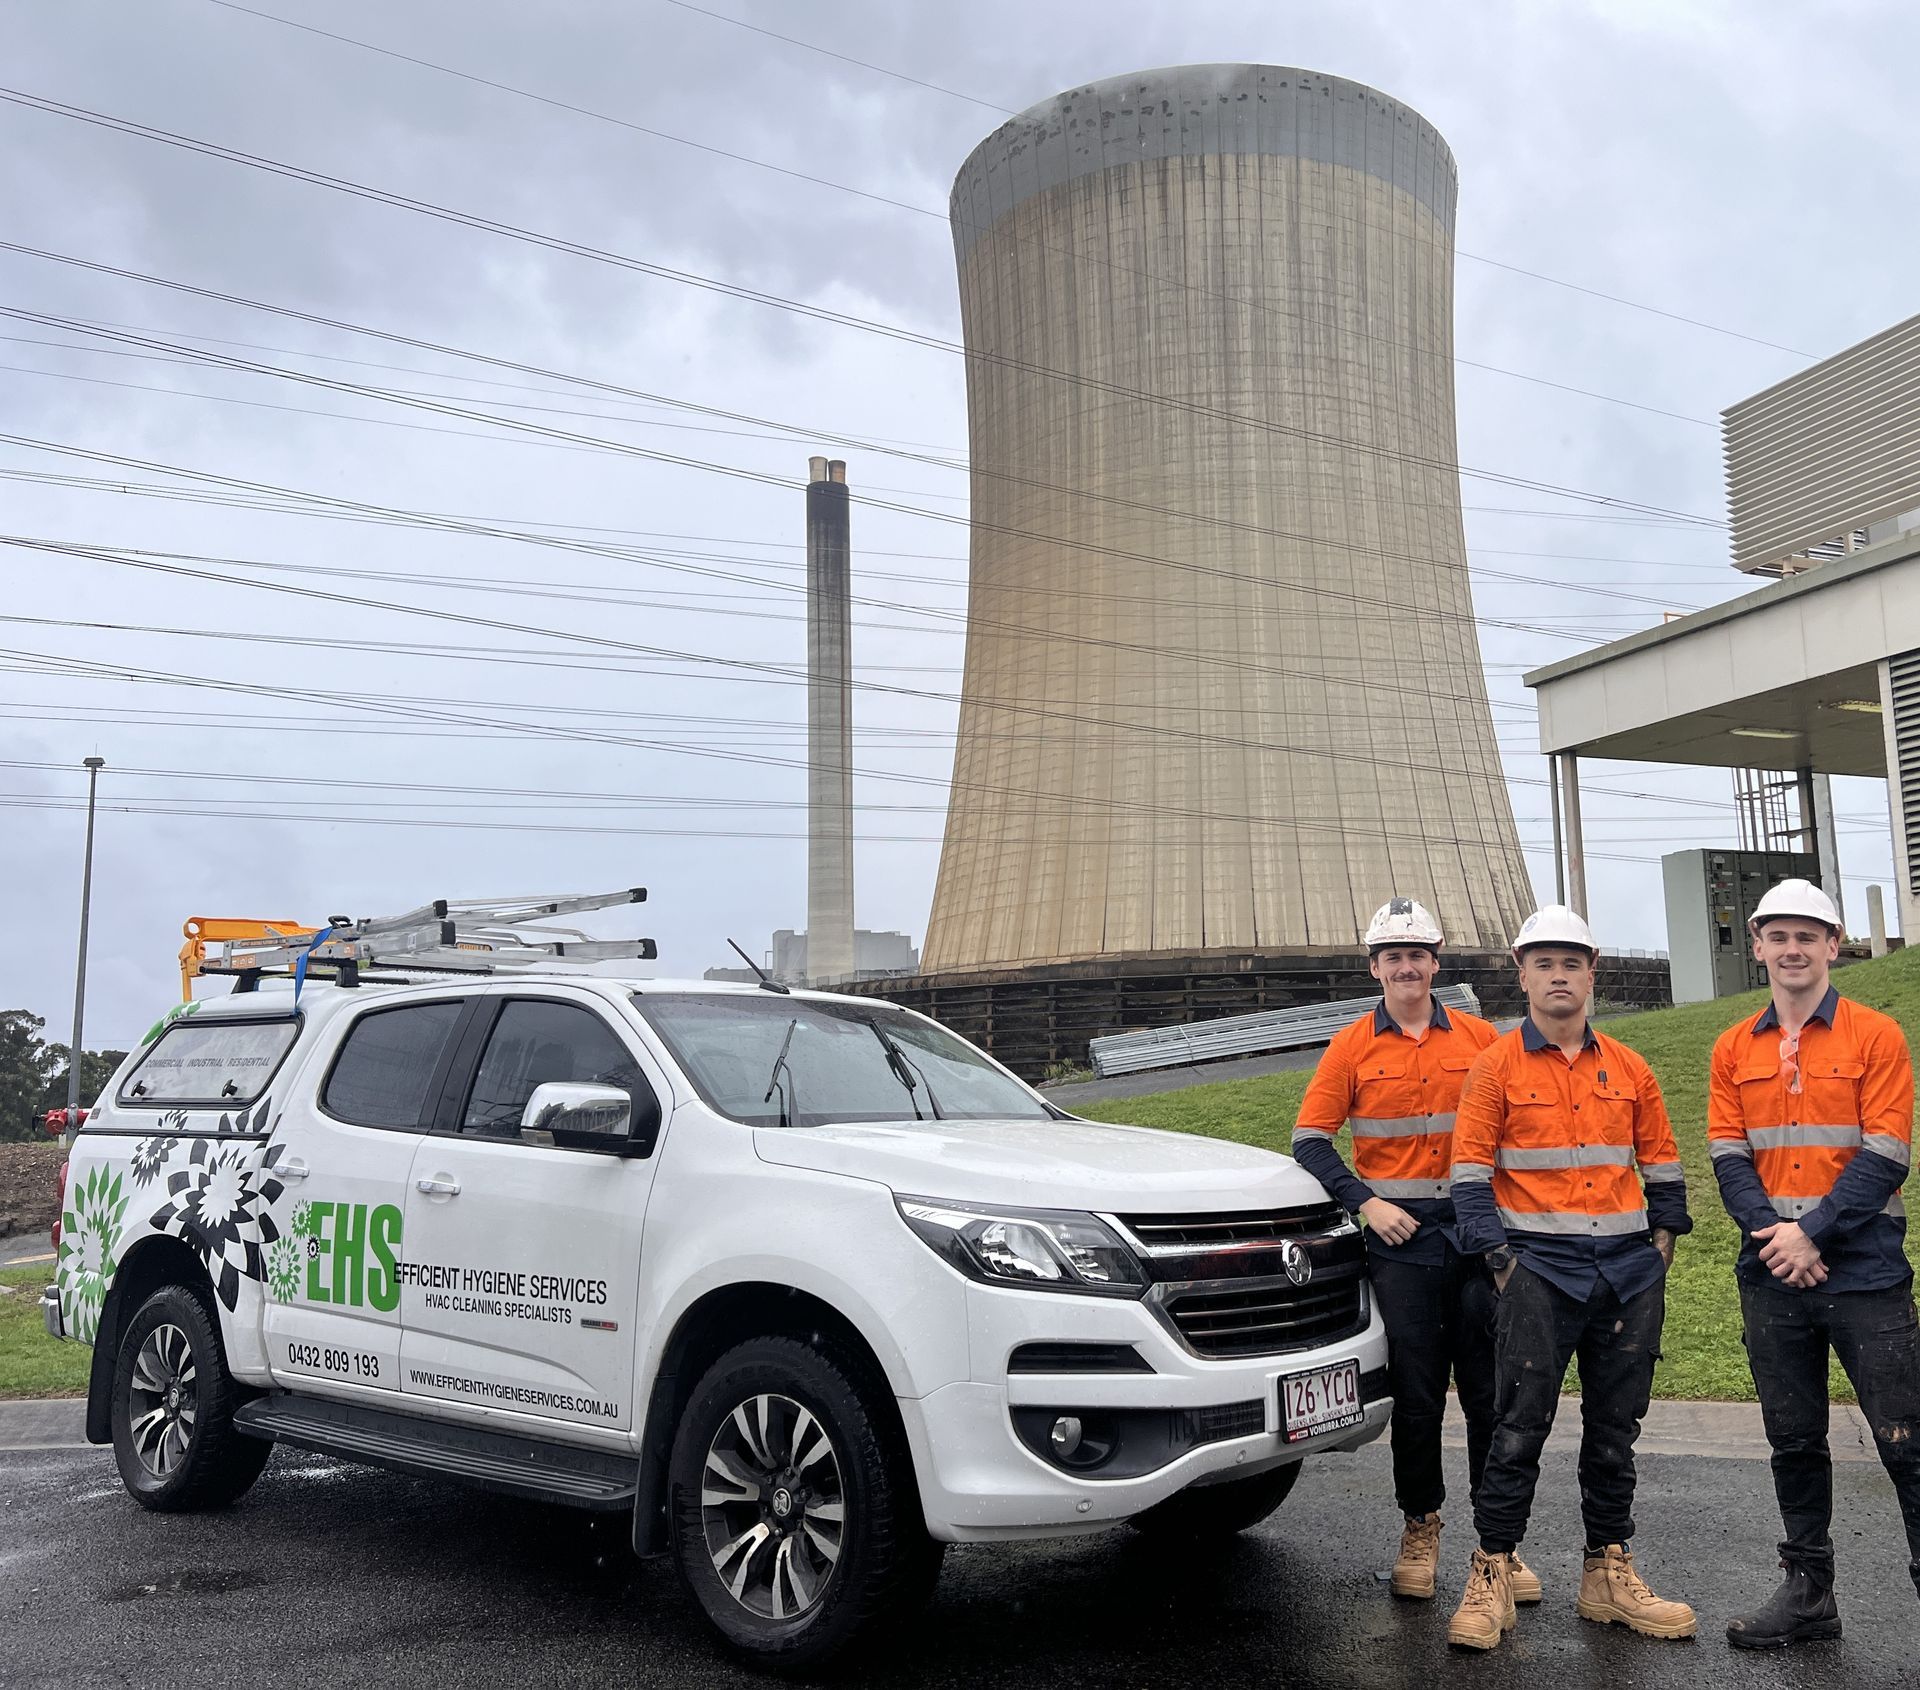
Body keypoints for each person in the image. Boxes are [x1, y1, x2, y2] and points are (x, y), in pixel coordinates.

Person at [1444, 905, 1695, 1651]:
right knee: (1518, 1429)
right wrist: (1501, 1262)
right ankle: (1491, 1571)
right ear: (1521, 975)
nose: (1559, 976)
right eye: (1543, 963)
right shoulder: (1494, 1065)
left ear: (1592, 974)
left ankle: (1607, 1574)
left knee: (1617, 1430)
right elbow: (1467, 1177)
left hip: (1626, 1270)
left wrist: (1660, 1244)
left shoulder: (1631, 1065)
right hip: (1538, 1271)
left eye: (1572, 963)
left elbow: (1665, 1165)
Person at [1292, 898, 1528, 1604]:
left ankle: (1499, 1546)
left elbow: (1512, 1131)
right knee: (1419, 1399)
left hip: (1477, 1237)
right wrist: (1367, 1202)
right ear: (1375, 967)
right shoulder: (1351, 1046)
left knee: (1490, 1396)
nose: (1406, 966)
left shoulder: (1484, 1039)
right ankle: (1420, 1526)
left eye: (1417, 954)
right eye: (1392, 956)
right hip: (1403, 1243)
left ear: (1436, 959)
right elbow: (1310, 1138)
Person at [1708, 878, 1920, 1649]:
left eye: (1809, 935)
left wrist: (1812, 1234)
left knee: (1907, 1439)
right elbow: (1728, 1156)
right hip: (1772, 1271)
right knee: (1793, 1437)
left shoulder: (1876, 1036)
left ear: (1834, 945)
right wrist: (1774, 1235)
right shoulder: (1734, 1046)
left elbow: (1885, 1154)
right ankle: (1808, 1595)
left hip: (1864, 1270)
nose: (1792, 949)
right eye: (1778, 936)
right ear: (1758, 946)